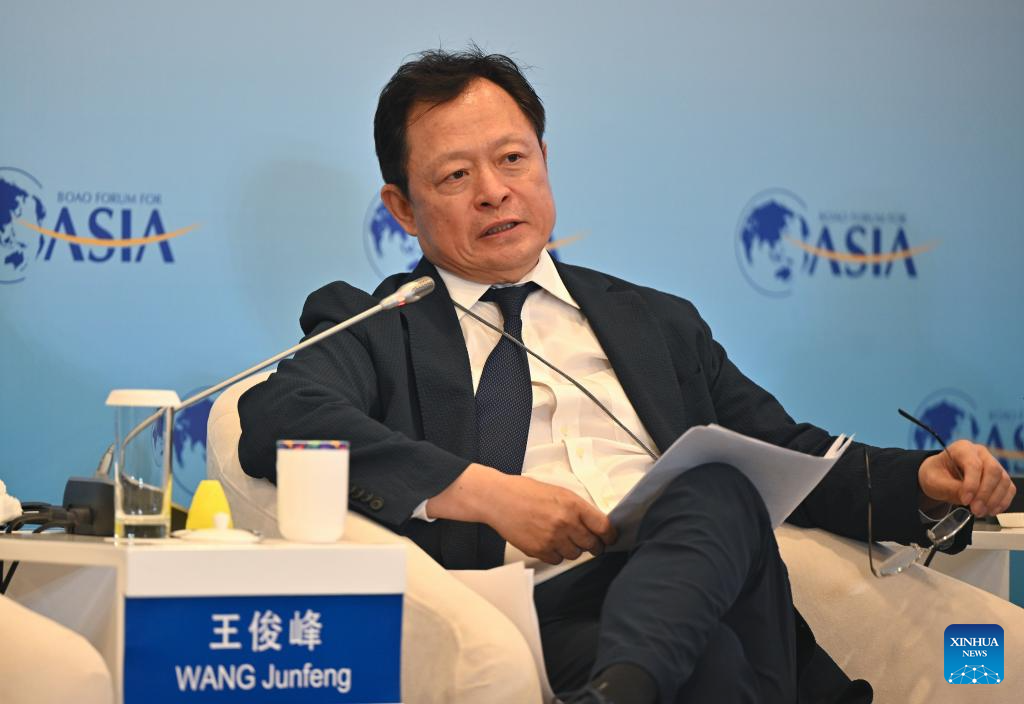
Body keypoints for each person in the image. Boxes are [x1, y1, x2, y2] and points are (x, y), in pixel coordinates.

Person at [238, 48, 1015, 704]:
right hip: (547, 617)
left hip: (707, 589)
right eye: (454, 176)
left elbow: (787, 454)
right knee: (709, 652)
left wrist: (922, 483)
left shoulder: (656, 322)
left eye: (512, 159)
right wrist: (486, 494)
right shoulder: (380, 323)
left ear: (544, 162)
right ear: (402, 209)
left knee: (717, 489)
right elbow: (281, 413)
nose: (494, 190)